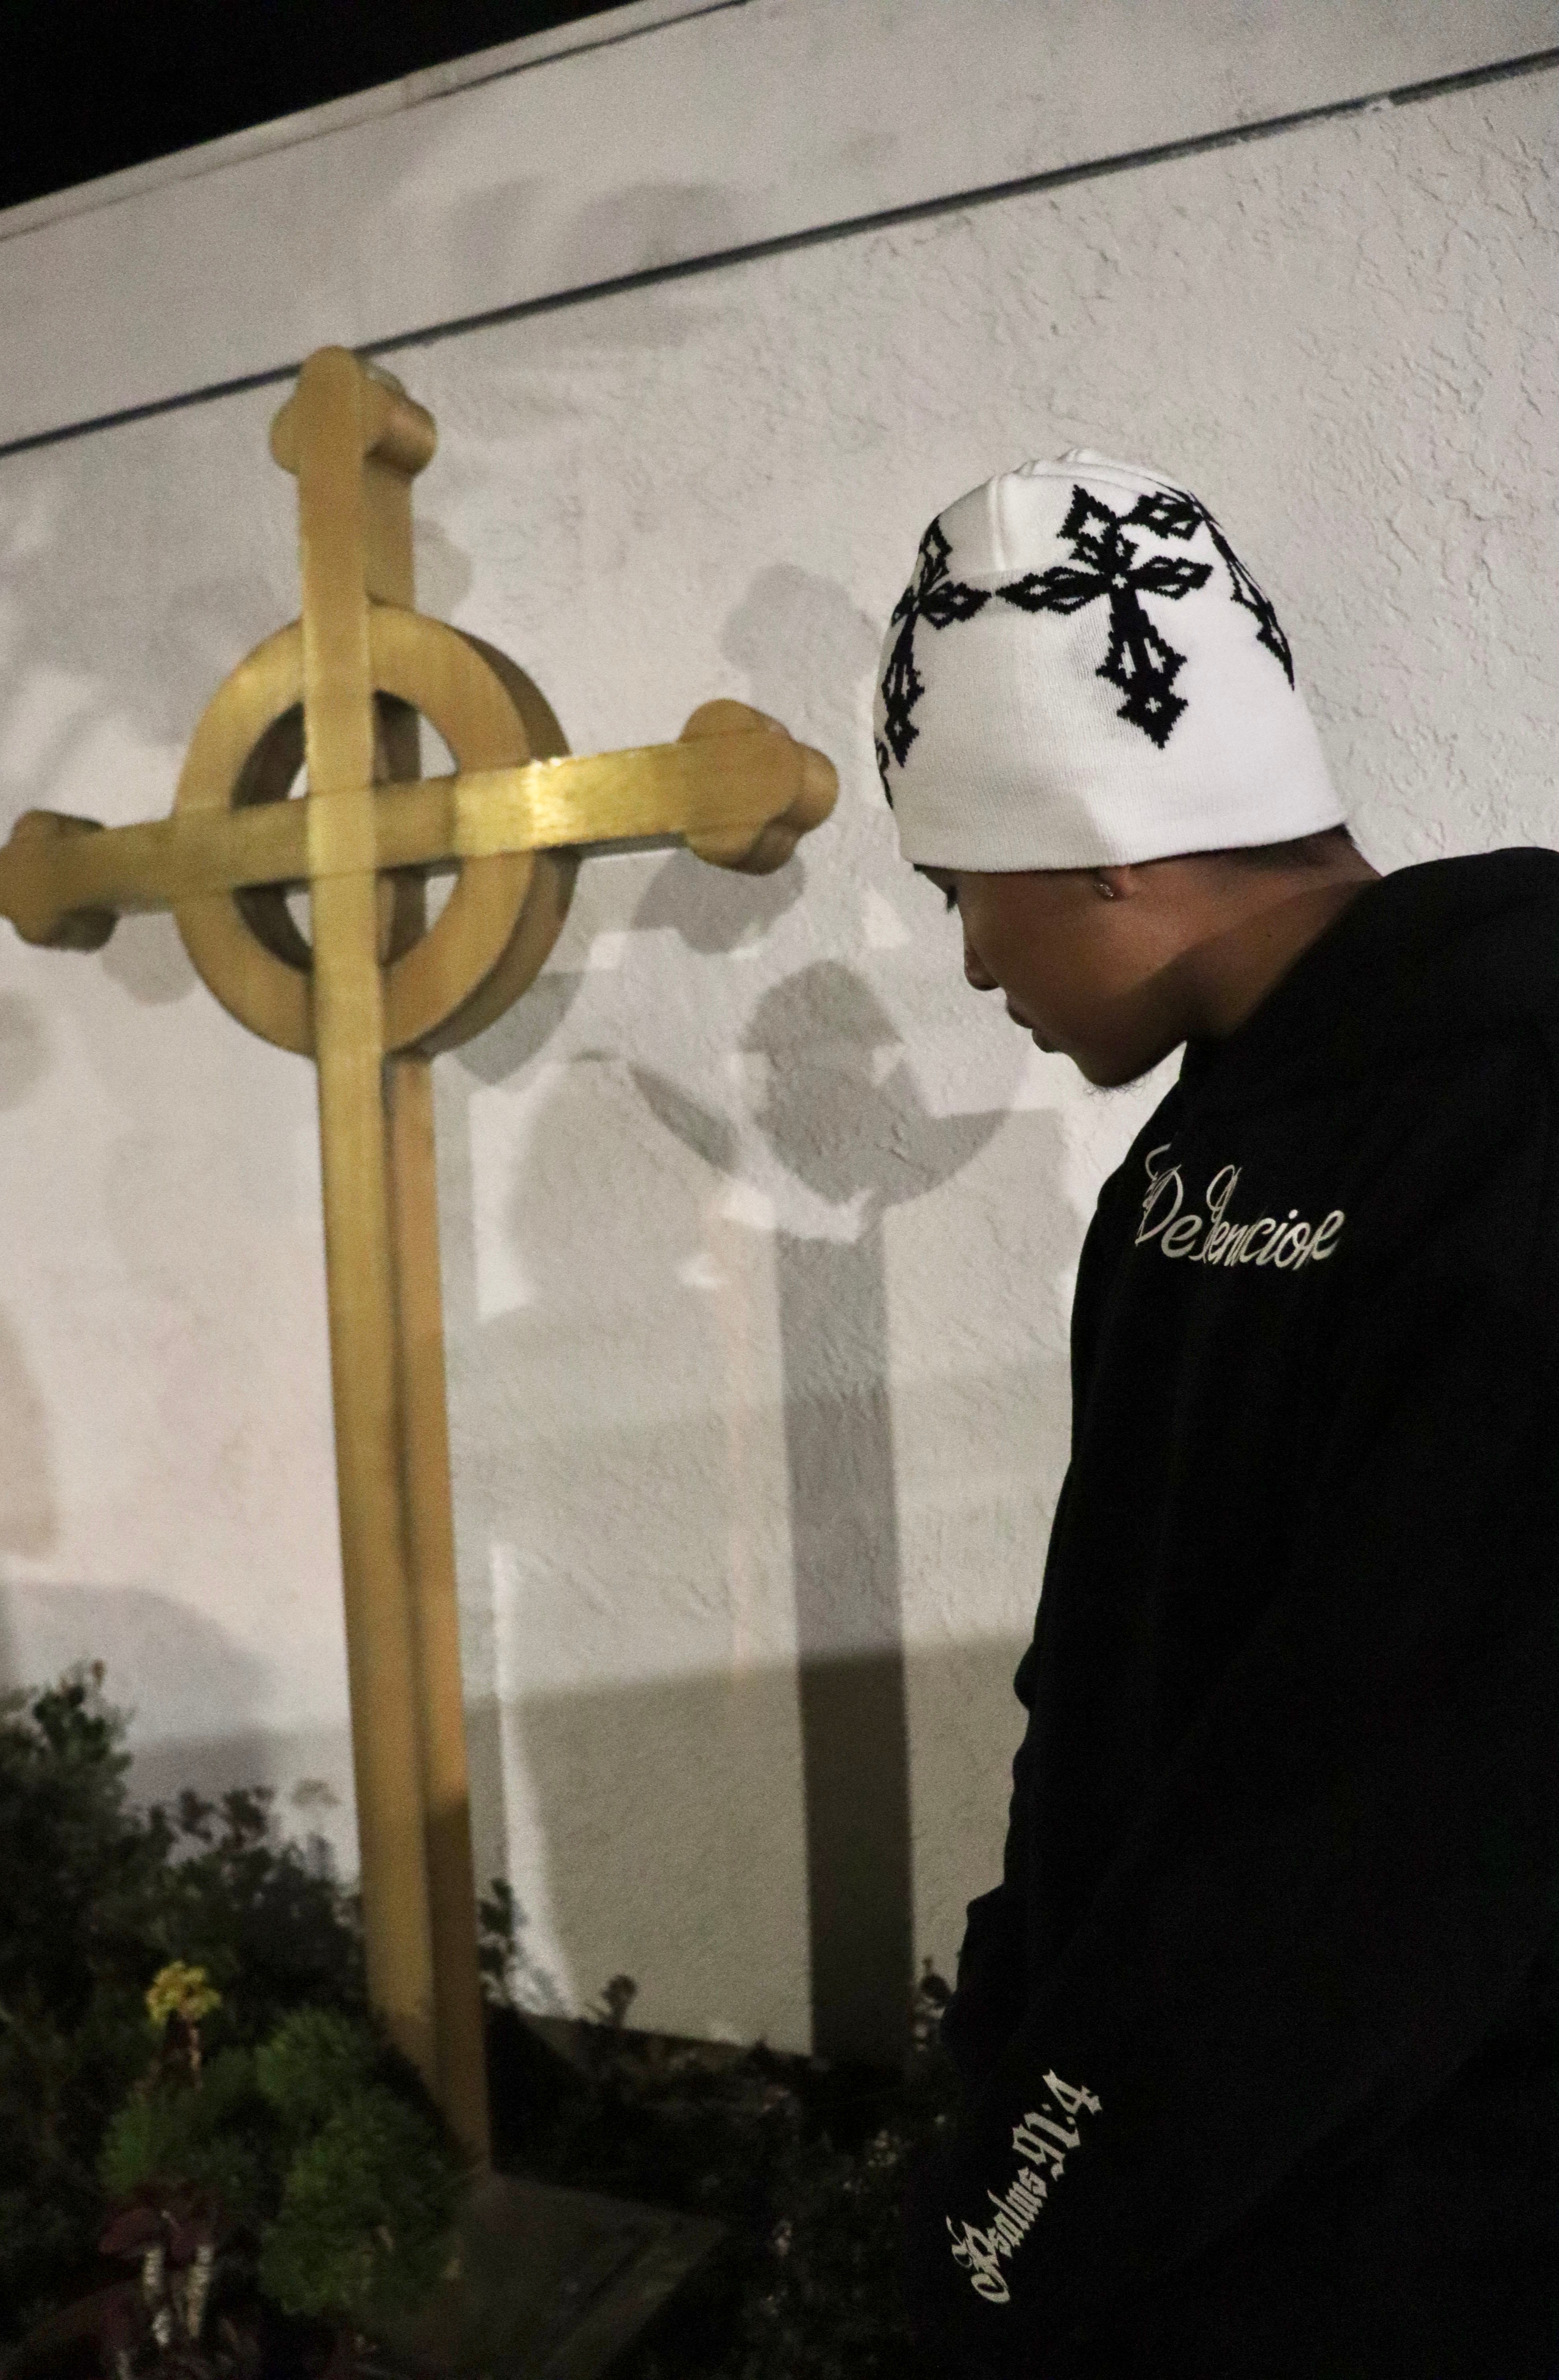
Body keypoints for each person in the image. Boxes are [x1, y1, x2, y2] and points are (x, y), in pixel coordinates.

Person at [875, 451, 1559, 2377]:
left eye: (962, 886)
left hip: (1421, 2230)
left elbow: (1405, 1807)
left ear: (1100, 833)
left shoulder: (1512, 1108)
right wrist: (1009, 2045)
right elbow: (1105, 1662)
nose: (972, 959)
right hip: (1174, 2187)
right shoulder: (1189, 1159)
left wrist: (1024, 2218)